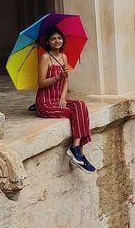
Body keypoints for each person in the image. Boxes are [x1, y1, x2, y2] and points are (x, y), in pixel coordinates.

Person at [35, 26, 96, 173]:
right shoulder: (45, 57)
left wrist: (63, 97)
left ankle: (76, 148)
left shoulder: (63, 57)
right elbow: (41, 83)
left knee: (81, 105)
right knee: (76, 114)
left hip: (58, 98)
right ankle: (78, 153)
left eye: (59, 38)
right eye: (53, 38)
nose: (57, 41)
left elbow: (66, 80)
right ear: (48, 42)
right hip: (46, 102)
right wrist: (57, 77)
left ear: (63, 40)